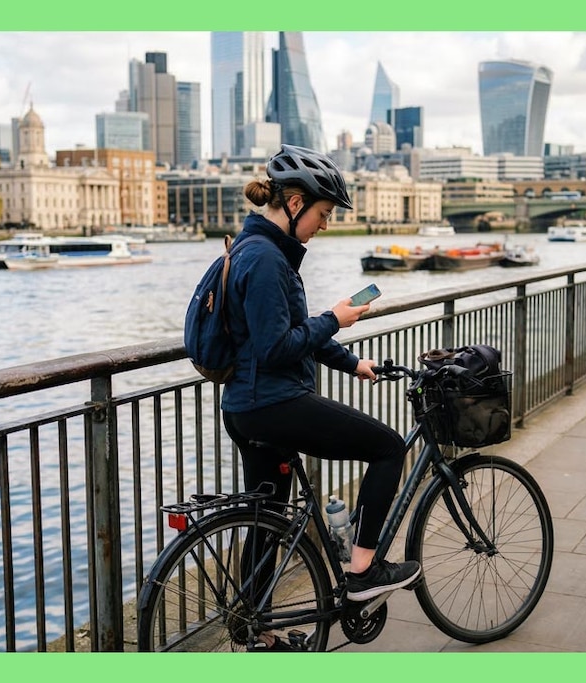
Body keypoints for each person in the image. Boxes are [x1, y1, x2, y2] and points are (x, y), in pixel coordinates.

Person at [219, 145, 421, 631]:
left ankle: (254, 625)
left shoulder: (253, 249)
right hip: (275, 403)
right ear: (294, 204)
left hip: (246, 407)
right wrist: (336, 318)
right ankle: (363, 573)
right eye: (323, 214)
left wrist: (353, 363)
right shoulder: (267, 259)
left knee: (266, 522)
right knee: (389, 448)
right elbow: (277, 348)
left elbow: (290, 330)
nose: (325, 225)